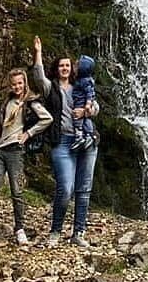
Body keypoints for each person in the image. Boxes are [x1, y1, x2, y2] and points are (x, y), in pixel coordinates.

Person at [0, 68, 52, 251]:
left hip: (16, 151)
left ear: (25, 83)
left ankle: (20, 228)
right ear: (10, 85)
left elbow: (47, 119)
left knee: (17, 192)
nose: (17, 86)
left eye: (20, 83)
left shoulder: (30, 102)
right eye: (14, 84)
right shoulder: (6, 101)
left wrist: (28, 134)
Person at [32, 35, 100, 248]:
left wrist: (87, 110)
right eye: (61, 65)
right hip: (62, 142)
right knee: (65, 188)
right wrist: (38, 53)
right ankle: (55, 231)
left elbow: (96, 108)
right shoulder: (50, 87)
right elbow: (37, 75)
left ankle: (78, 232)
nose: (64, 68)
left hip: (87, 141)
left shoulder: (82, 84)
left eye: (68, 65)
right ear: (57, 68)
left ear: (72, 68)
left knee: (84, 189)